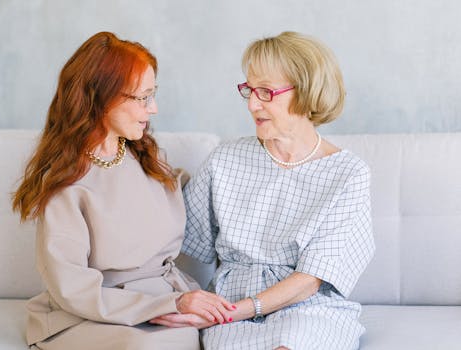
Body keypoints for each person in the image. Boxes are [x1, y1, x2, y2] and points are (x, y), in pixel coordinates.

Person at [150, 31, 375, 350]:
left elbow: (310, 280)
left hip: (307, 309)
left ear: (308, 91)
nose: (253, 104)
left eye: (267, 92)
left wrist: (228, 314)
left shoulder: (348, 174)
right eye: (249, 90)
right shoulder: (226, 160)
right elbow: (176, 240)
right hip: (231, 301)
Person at [12, 31, 234, 350]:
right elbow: (73, 289)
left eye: (153, 94)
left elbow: (191, 200)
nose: (153, 108)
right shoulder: (65, 185)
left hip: (164, 297)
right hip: (91, 314)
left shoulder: (146, 157)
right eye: (143, 97)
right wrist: (168, 307)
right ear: (102, 99)